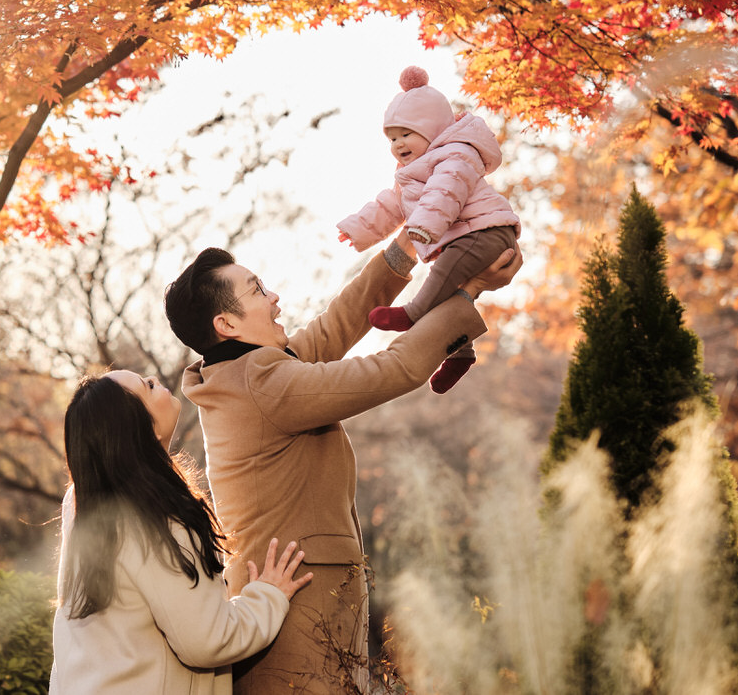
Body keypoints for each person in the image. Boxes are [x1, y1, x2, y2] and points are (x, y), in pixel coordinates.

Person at [163, 237, 520, 694]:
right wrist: (465, 291)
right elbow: (396, 368)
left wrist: (409, 244)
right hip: (296, 603)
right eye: (257, 291)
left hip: (296, 596)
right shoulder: (264, 383)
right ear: (227, 323)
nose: (274, 298)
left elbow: (338, 323)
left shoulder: (247, 370)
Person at [48, 370, 314, 695]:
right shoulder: (157, 517)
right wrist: (268, 596)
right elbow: (207, 640)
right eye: (147, 386)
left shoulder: (81, 502)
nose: (154, 378)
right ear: (142, 427)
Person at [337, 65, 521, 393]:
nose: (398, 144)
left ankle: (412, 313)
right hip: (465, 238)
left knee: (442, 273)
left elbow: (445, 193)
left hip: (487, 232)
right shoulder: (410, 174)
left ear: (433, 130)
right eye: (392, 138)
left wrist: (423, 227)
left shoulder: (455, 156)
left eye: (406, 134)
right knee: (447, 295)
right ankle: (459, 353)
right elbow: (390, 205)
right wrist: (359, 228)